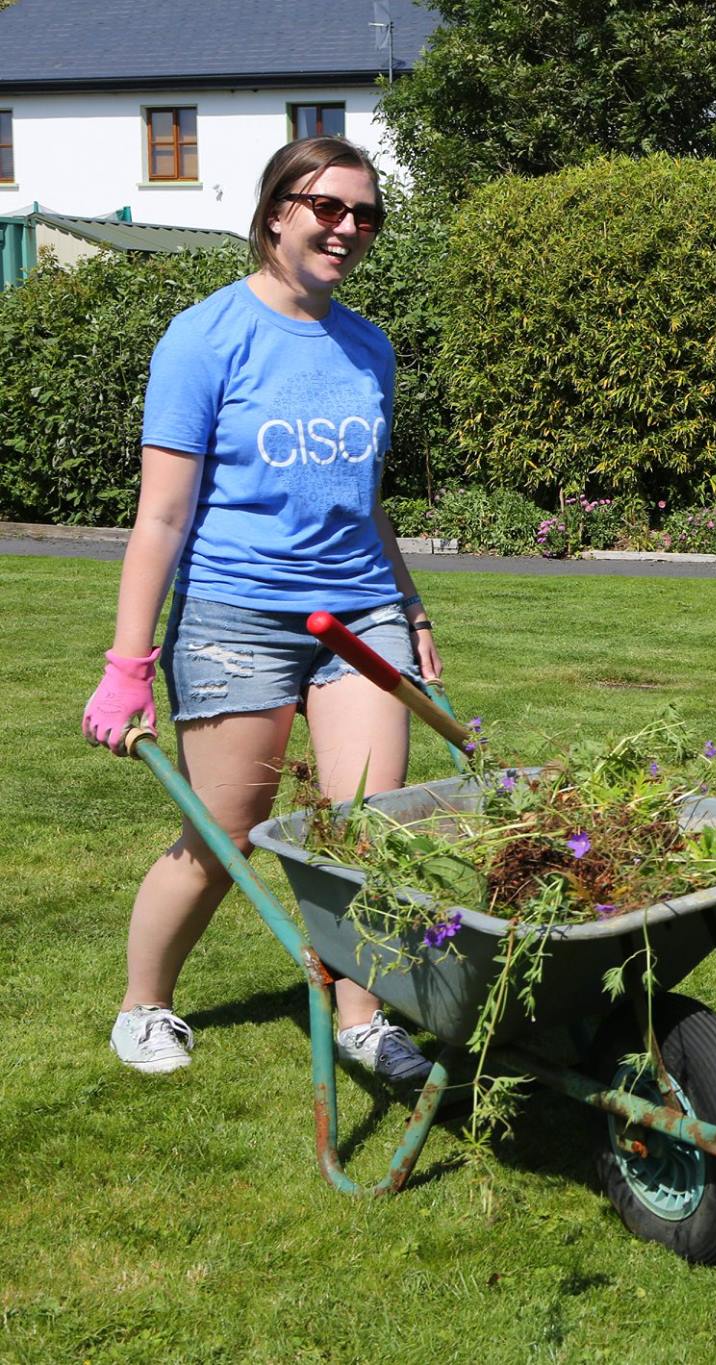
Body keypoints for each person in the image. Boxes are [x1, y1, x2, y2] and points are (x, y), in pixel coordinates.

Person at [82, 137, 439, 1081]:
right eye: (329, 208)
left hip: (360, 614)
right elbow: (161, 515)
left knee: (368, 829)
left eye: (366, 215)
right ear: (277, 210)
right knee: (222, 835)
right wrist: (128, 667)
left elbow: (360, 497)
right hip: (237, 617)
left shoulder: (369, 348)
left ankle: (364, 1018)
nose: (348, 230)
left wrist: (411, 604)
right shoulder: (204, 338)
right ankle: (144, 1003)